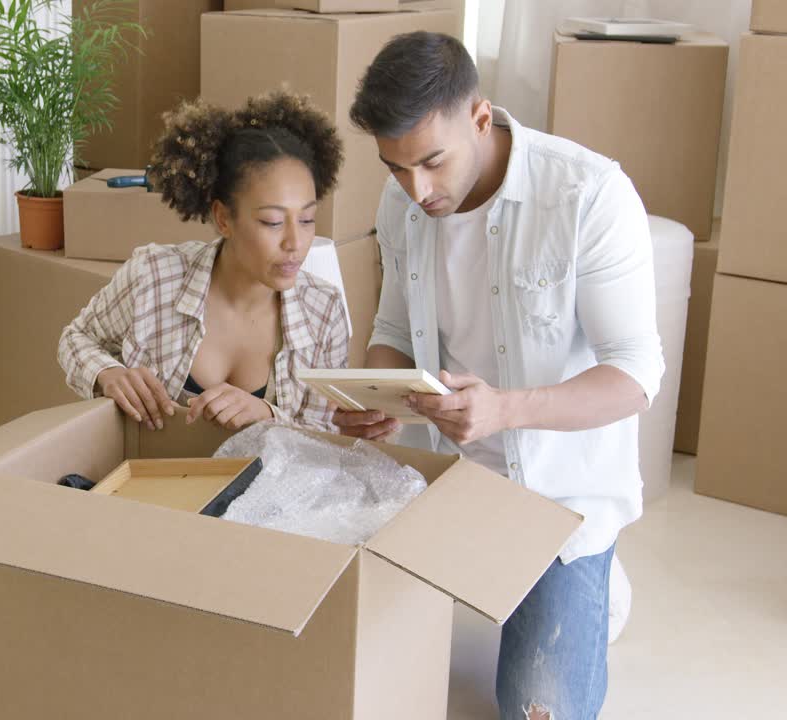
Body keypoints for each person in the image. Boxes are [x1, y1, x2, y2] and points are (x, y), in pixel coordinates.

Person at [340, 32, 664, 720]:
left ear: (480, 118)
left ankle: (592, 577)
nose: (416, 190)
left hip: (558, 500)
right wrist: (377, 396)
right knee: (347, 660)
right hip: (445, 479)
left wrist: (505, 410)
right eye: (396, 168)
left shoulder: (588, 195)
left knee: (534, 709)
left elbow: (636, 377)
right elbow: (394, 334)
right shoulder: (400, 204)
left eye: (431, 161)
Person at [58, 91, 350, 433]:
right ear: (223, 218)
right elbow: (76, 338)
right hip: (152, 481)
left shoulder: (325, 312)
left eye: (307, 219)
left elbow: (326, 437)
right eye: (272, 222)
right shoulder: (154, 276)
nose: (295, 243)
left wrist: (269, 417)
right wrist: (107, 374)